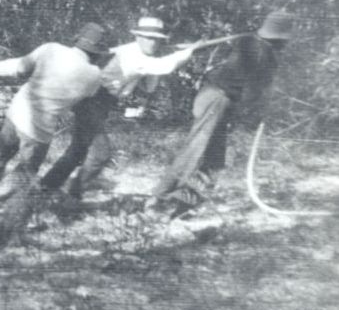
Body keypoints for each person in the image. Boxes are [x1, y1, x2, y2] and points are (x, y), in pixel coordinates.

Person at [0, 22, 110, 217]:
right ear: (97, 52)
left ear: (77, 40)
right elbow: (81, 105)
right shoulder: (94, 76)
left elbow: (18, 67)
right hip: (38, 129)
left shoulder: (51, 49)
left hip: (16, 113)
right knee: (24, 173)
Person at [39, 16, 198, 201]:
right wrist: (189, 51)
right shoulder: (132, 55)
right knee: (100, 154)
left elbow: (149, 87)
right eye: (148, 37)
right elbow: (165, 66)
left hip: (101, 103)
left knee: (78, 151)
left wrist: (160, 56)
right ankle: (73, 194)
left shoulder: (143, 56)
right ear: (137, 37)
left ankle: (45, 188)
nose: (152, 43)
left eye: (157, 39)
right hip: (92, 100)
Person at [151, 11, 293, 209]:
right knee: (194, 150)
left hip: (213, 97)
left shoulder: (249, 41)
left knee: (215, 157)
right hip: (216, 99)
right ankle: (160, 197)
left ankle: (190, 200)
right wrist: (258, 111)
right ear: (279, 38)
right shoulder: (261, 53)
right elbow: (251, 93)